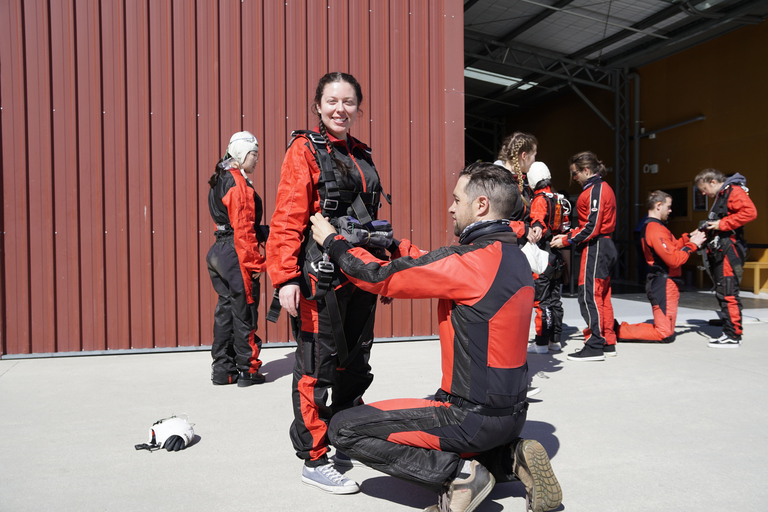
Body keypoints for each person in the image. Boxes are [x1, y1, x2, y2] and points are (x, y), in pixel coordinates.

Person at [313, 162, 562, 512]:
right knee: (454, 426)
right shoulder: (514, 257)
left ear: (480, 206)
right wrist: (394, 243)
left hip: (467, 419)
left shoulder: (470, 262)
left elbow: (378, 277)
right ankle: (510, 457)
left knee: (344, 429)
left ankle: (460, 474)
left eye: (456, 199)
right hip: (512, 416)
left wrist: (333, 242)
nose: (450, 208)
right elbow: (435, 265)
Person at [266, 72, 391, 493]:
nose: (341, 109)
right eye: (332, 101)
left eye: (349, 102)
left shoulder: (361, 153)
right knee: (316, 367)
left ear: (358, 106)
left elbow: (369, 218)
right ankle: (314, 458)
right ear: (318, 106)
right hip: (321, 279)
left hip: (361, 275)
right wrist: (284, 277)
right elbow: (287, 216)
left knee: (355, 362)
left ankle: (344, 432)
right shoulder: (304, 150)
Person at [206, 131, 267, 386]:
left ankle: (223, 370)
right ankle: (248, 371)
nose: (257, 160)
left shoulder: (220, 178)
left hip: (219, 251)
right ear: (242, 155)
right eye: (254, 154)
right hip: (235, 252)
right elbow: (243, 229)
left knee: (226, 311)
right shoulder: (237, 183)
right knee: (245, 311)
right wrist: (255, 264)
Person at [551, 151, 617, 361]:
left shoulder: (595, 189)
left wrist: (566, 240)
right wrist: (569, 235)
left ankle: (595, 344)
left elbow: (592, 226)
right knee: (602, 295)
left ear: (586, 170)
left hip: (596, 246)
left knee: (589, 295)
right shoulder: (600, 188)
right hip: (603, 244)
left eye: (575, 173)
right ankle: (606, 340)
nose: (574, 178)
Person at [616, 191, 706, 342]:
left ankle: (617, 330)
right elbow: (674, 260)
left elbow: (674, 246)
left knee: (665, 331)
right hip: (664, 284)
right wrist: (693, 245)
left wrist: (689, 237)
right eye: (669, 207)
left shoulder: (656, 227)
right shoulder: (655, 229)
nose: (671, 211)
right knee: (664, 333)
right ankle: (616, 332)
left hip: (664, 283)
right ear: (658, 206)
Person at [695, 169, 757, 348]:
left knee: (728, 291)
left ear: (713, 181)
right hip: (722, 249)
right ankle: (730, 328)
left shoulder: (733, 191)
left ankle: (733, 335)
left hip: (730, 249)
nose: (703, 193)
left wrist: (722, 224)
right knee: (724, 290)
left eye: (704, 188)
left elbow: (750, 213)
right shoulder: (725, 193)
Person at [526, 162, 568, 354]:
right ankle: (555, 340)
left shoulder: (539, 199)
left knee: (541, 301)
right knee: (555, 300)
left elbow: (537, 222)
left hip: (543, 255)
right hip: (557, 254)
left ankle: (541, 342)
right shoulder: (559, 199)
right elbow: (565, 226)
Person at [494, 132, 539, 244]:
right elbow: (493, 221)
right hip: (502, 248)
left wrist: (536, 224)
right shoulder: (497, 181)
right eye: (534, 155)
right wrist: (523, 229)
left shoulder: (520, 181)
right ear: (524, 156)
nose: (534, 160)